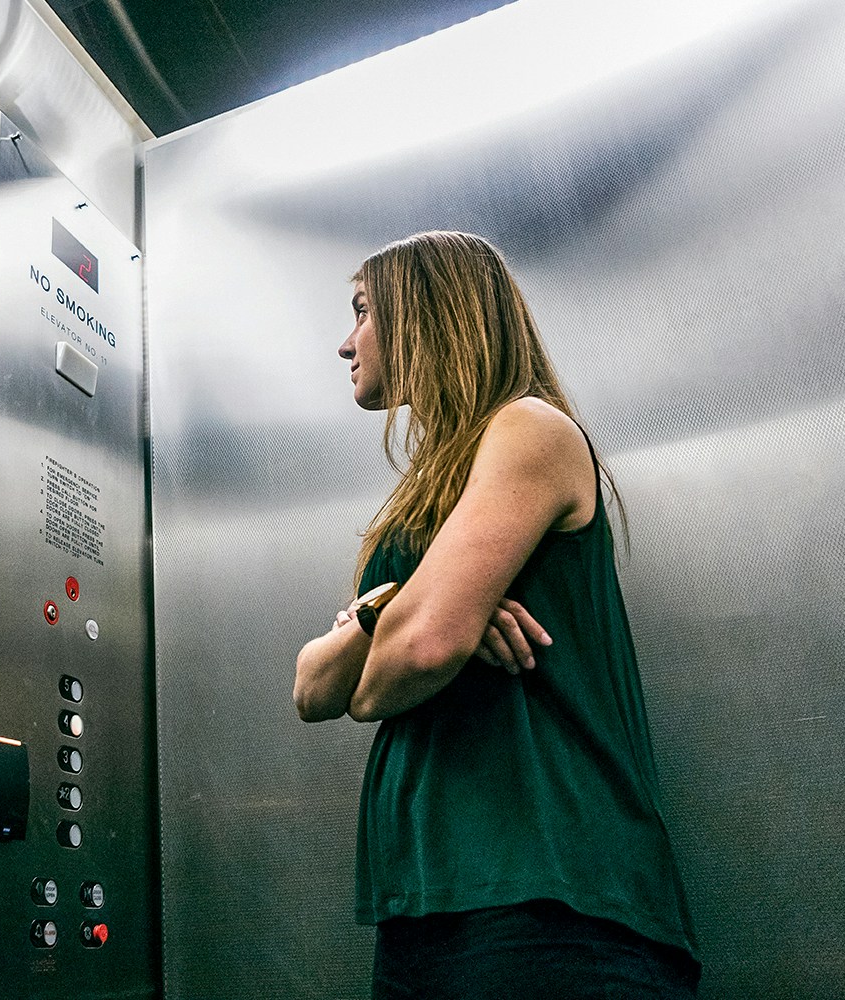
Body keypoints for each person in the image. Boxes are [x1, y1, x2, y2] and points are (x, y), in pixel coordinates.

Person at [292, 231, 700, 999]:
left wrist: (408, 630)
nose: (346, 344)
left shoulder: (529, 429)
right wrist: (391, 608)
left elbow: (400, 667)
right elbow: (311, 687)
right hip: (428, 906)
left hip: (549, 902)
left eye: (362, 312)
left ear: (426, 314)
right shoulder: (417, 501)